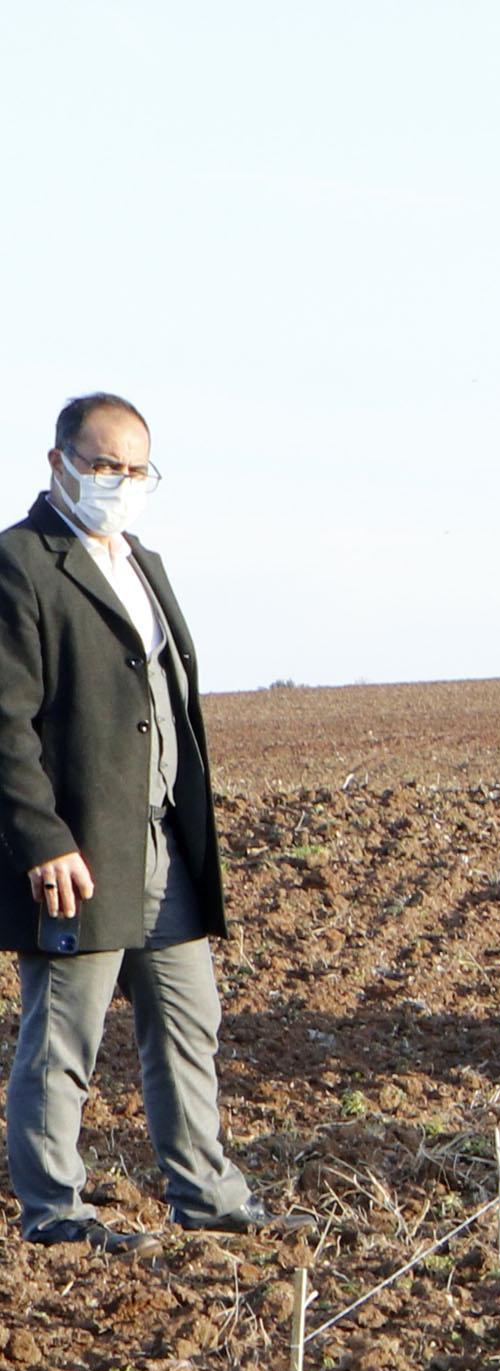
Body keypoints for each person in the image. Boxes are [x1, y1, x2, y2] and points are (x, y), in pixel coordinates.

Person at [0, 397, 258, 1245]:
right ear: (59, 462)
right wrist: (42, 838)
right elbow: (5, 723)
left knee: (189, 1025)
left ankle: (209, 1200)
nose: (119, 482)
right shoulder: (21, 564)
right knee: (63, 1036)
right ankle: (54, 1213)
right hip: (80, 850)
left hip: (163, 840)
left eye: (135, 469)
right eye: (102, 464)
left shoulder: (142, 561)